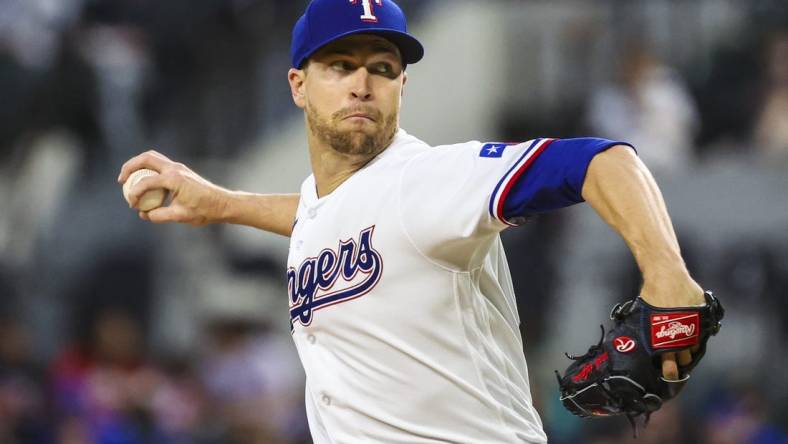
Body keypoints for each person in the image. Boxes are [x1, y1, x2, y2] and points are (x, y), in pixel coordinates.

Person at [118, 0, 707, 442]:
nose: (361, 83)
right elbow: (321, 216)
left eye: (381, 66)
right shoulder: (341, 204)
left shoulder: (428, 179)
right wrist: (221, 203)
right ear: (298, 85)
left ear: (403, 83)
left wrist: (669, 279)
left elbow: (601, 160)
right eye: (339, 65)